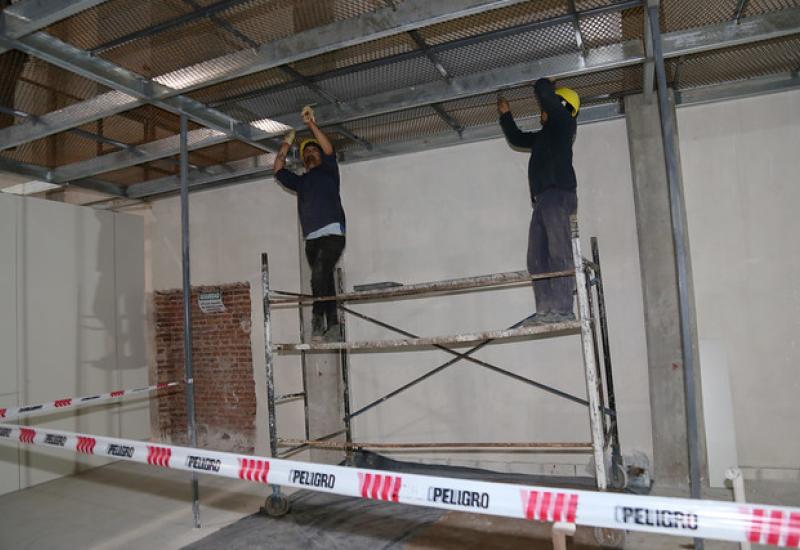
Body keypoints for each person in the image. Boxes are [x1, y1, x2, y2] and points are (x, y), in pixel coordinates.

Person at [497, 78, 581, 325]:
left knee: (558, 251)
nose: (541, 112)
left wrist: (545, 83)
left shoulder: (564, 125)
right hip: (543, 200)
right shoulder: (545, 137)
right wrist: (505, 115)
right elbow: (517, 138)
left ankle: (564, 309)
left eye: (545, 108)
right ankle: (546, 311)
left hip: (558, 194)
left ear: (560, 106)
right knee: (537, 257)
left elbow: (546, 95)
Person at [274, 106, 346, 341]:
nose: (310, 154)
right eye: (307, 153)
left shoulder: (329, 171)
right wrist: (286, 143)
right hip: (311, 239)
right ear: (304, 161)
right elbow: (278, 169)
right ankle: (333, 326)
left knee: (318, 275)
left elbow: (328, 149)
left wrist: (310, 125)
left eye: (313, 151)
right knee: (322, 279)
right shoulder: (301, 182)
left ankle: (317, 320)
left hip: (333, 234)